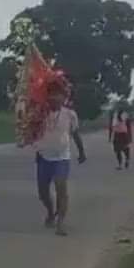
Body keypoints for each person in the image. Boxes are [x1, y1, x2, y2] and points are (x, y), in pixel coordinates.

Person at [30, 80, 86, 236]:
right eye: (51, 94)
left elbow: (75, 134)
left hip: (62, 157)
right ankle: (50, 211)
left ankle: (61, 223)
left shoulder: (70, 114)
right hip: (43, 157)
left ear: (64, 97)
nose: (55, 98)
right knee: (43, 193)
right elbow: (31, 132)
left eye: (58, 94)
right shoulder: (40, 113)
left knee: (61, 188)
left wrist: (82, 152)